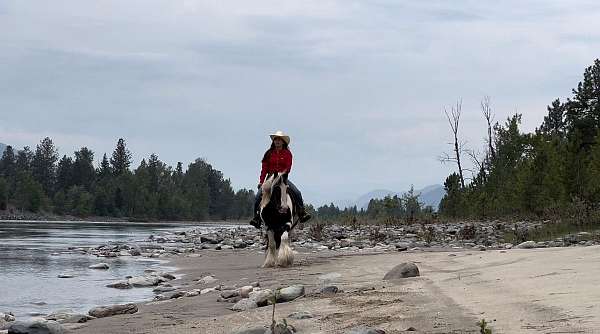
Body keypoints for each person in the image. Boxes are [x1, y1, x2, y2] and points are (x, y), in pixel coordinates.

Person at [249, 130, 311, 228]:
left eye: (279, 140)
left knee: (297, 192)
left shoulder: (287, 154)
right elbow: (264, 169)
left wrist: (282, 174)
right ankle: (256, 218)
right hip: (270, 178)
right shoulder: (268, 154)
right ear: (273, 141)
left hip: (283, 178)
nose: (277, 141)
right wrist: (261, 182)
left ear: (283, 142)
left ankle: (301, 213)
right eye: (275, 139)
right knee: (257, 197)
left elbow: (288, 167)